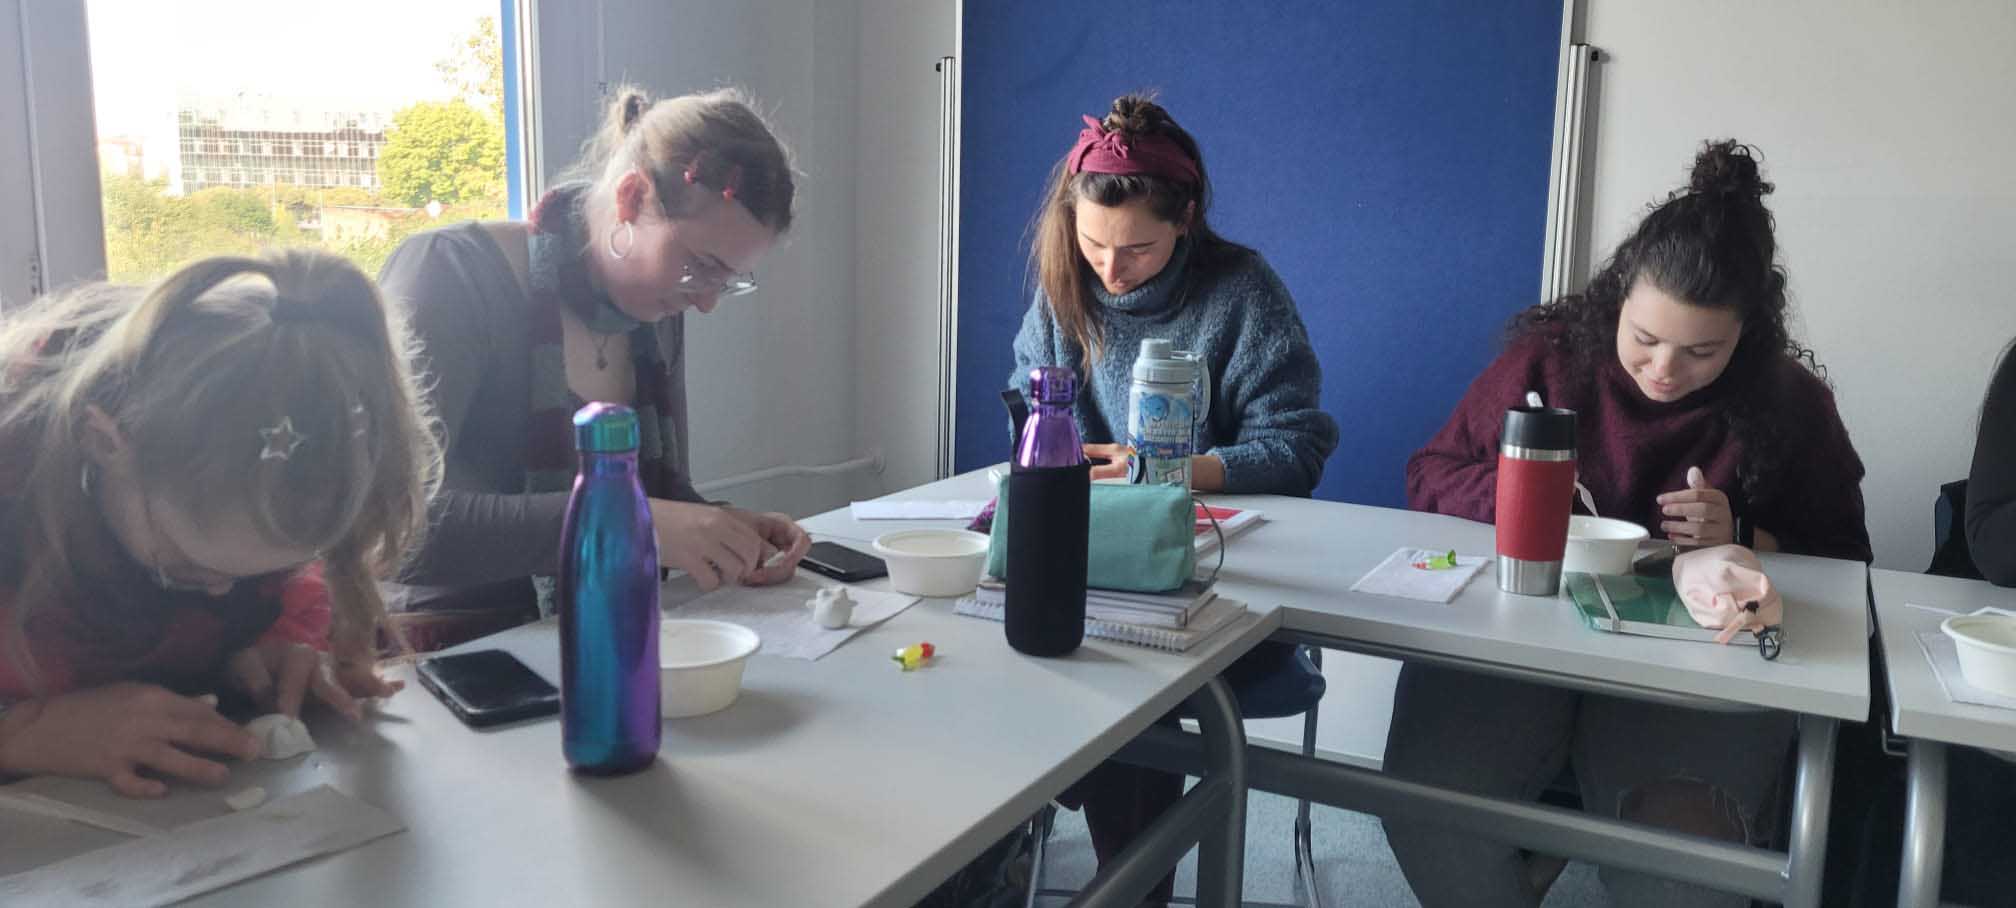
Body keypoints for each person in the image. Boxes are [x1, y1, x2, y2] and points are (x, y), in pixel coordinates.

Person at [1387, 140, 1872, 907]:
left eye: (1701, 351)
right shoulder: (1548, 363)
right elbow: (1430, 473)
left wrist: (1742, 533)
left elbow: (1847, 558)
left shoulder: (1790, 404)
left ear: (1747, 334)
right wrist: (1525, 501)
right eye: (1644, 339)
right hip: (1523, 638)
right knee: (1432, 813)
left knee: (1679, 874)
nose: (1664, 371)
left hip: (1688, 672)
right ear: (1617, 300)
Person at [1008, 94, 1339, 904]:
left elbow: (1295, 448)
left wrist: (1165, 471)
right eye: (1093, 243)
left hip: (1213, 579)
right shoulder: (1063, 285)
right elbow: (1027, 407)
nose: (1110, 271)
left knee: (1123, 683)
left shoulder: (1242, 292)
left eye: (1137, 249)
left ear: (1185, 219)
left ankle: (1131, 885)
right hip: (1089, 565)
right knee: (1005, 651)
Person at [377, 85, 812, 642]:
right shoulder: (451, 275)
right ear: (630, 199)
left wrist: (723, 528)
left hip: (604, 632)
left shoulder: (654, 310)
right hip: (445, 651)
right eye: (701, 267)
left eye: (727, 281)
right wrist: (625, 524)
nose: (706, 301)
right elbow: (388, 528)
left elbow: (651, 493)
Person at [0, 250, 441, 797]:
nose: (221, 594)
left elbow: (271, 600)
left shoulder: (228, 518)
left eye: (268, 572)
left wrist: (261, 646)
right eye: (186, 569)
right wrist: (24, 732)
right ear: (102, 444)